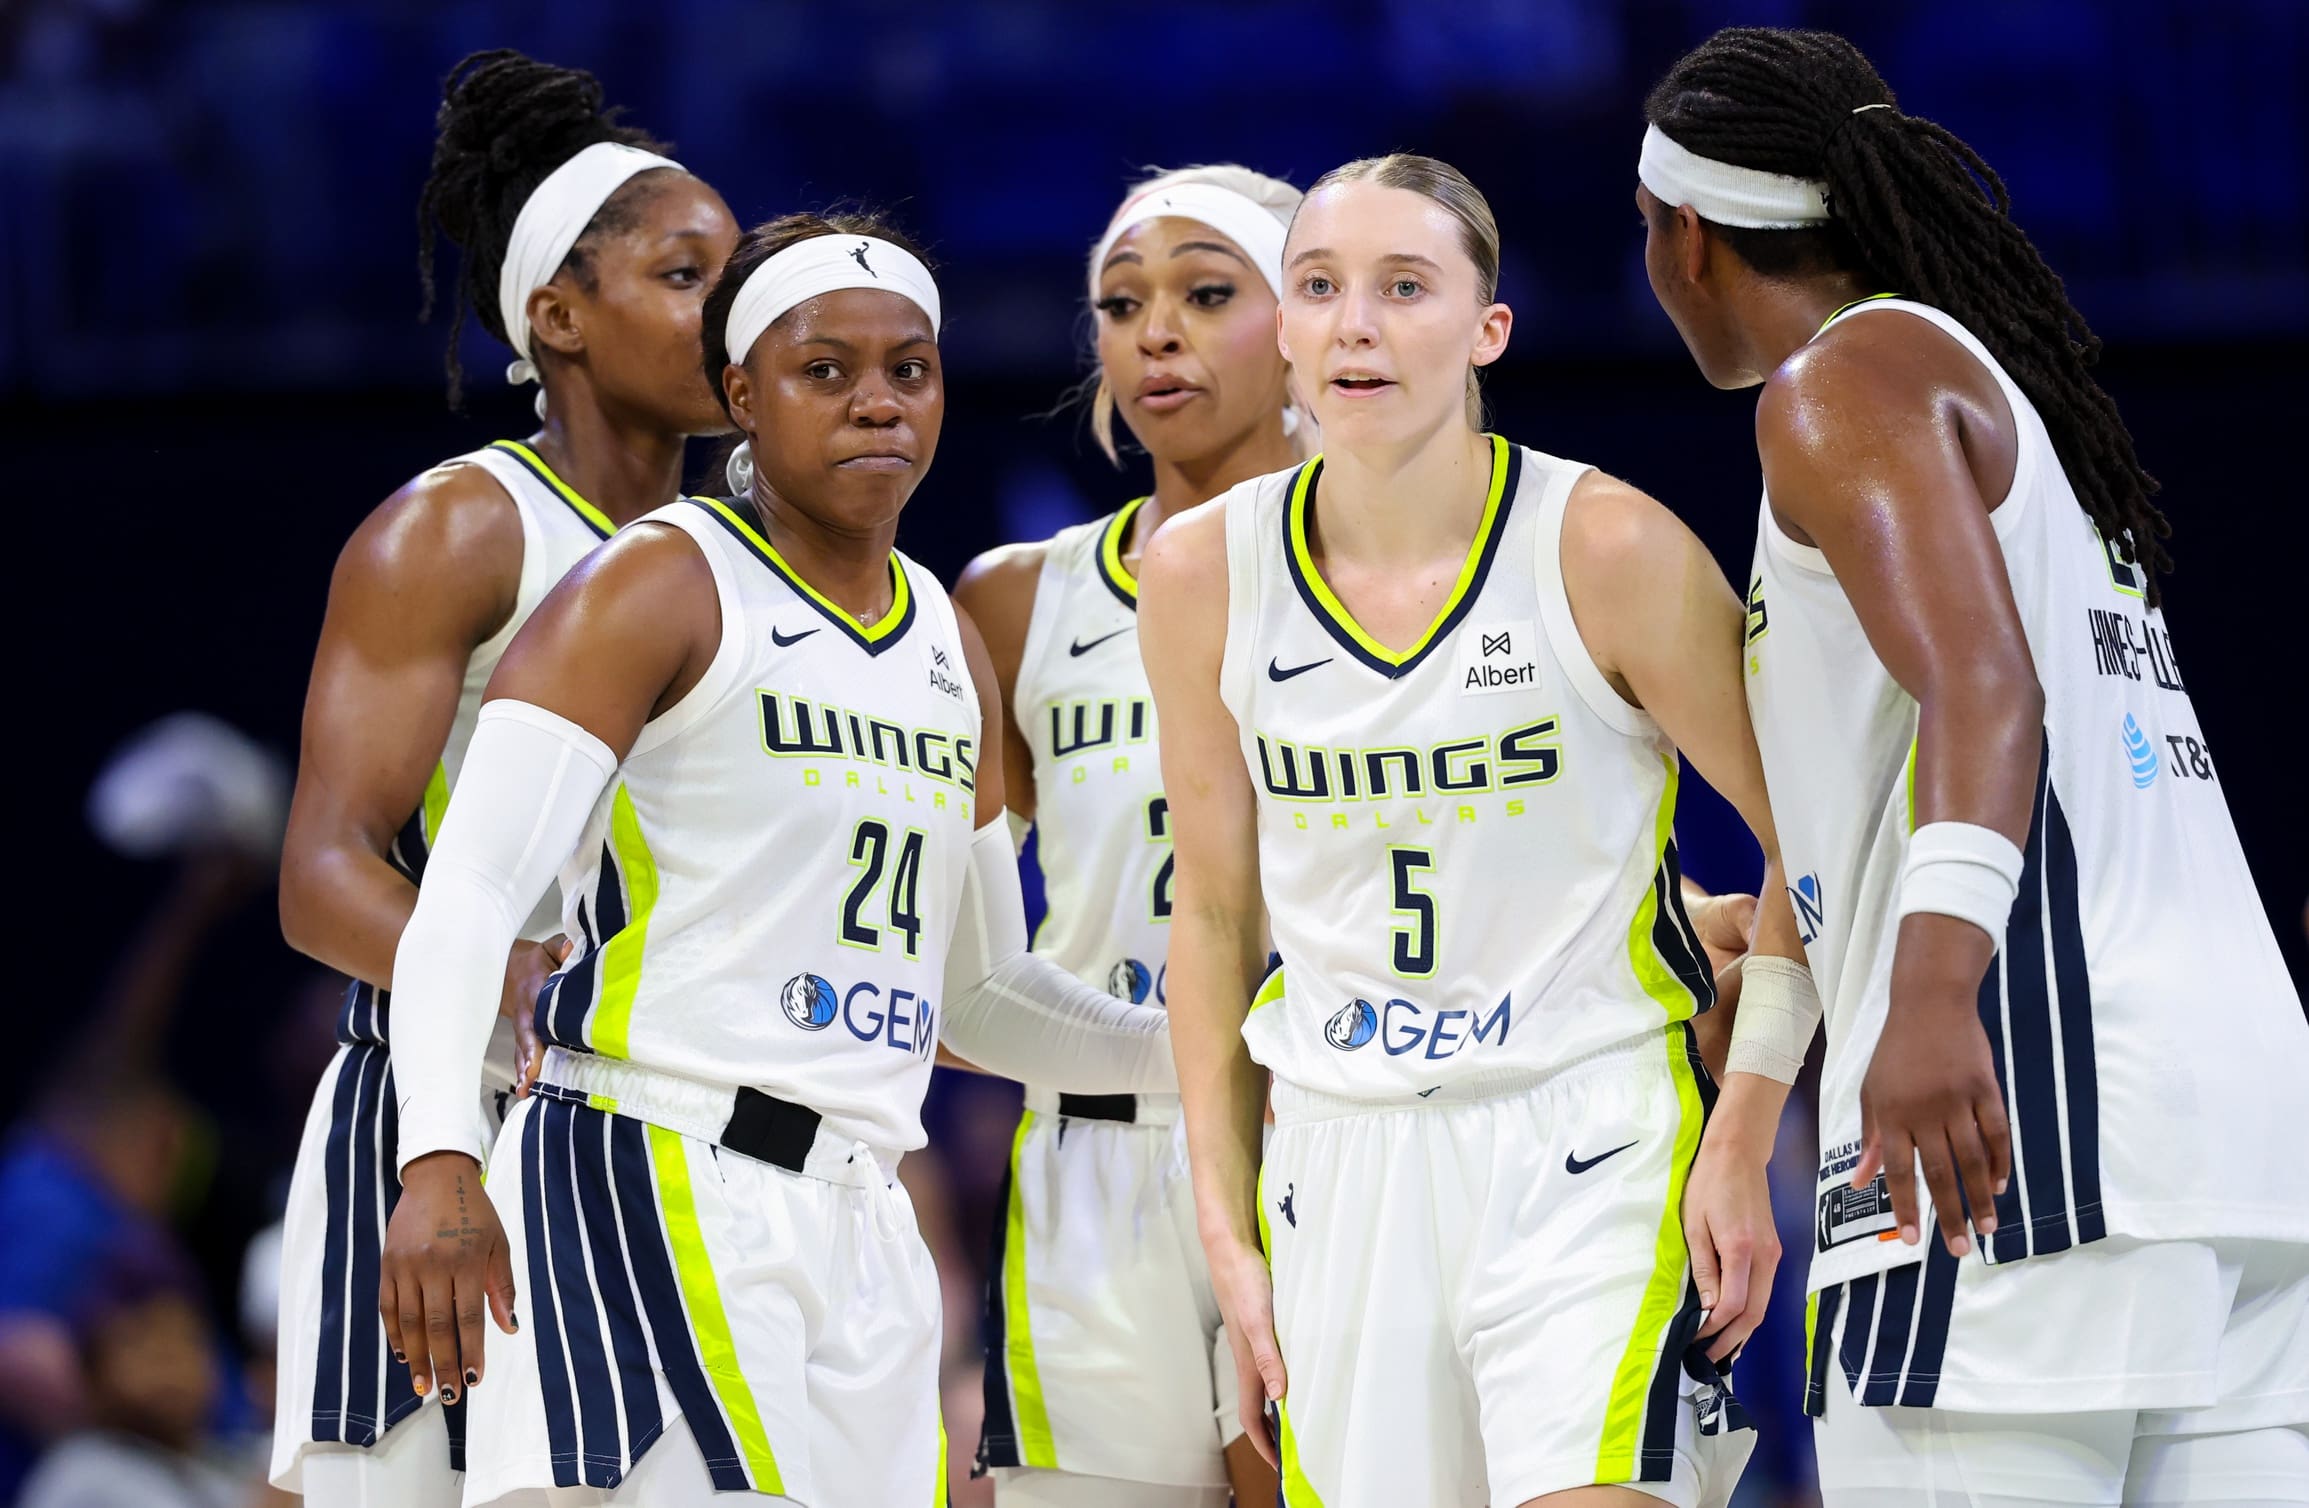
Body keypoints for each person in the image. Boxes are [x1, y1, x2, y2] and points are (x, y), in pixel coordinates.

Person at [377, 212, 1180, 1508]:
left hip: (865, 1215)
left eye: (907, 370)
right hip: (654, 1163)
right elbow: (466, 889)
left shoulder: (944, 639)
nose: (877, 403)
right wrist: (436, 1158)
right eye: (826, 371)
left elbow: (977, 997)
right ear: (742, 394)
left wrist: (1214, 1048)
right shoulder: (655, 582)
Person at [1635, 26, 2309, 1508]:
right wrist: (1747, 1118)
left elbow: (1983, 691)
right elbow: (1864, 822)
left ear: (1682, 238)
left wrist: (1932, 991)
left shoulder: (1836, 387)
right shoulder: (1989, 393)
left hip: (2022, 1119)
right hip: (2239, 1147)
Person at [1139, 152, 1813, 1508]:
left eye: (1404, 287)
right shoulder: (1201, 571)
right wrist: (1223, 1224)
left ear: (1484, 329)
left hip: (1590, 1135)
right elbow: (1211, 917)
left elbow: (1816, 838)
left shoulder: (1606, 547)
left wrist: (1743, 1130)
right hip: (1337, 1154)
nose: (1356, 326)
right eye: (1319, 287)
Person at [270, 49, 738, 1505]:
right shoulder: (459, 528)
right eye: (684, 277)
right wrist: (524, 984)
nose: (731, 315)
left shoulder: (757, 556)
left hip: (648, 1130)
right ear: (559, 318)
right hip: (447, 1106)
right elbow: (324, 870)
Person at [957, 163, 1301, 1508]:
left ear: (1301, 322)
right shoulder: (1013, 602)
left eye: (1208, 295)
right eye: (1120, 304)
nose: (1156, 331)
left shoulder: (1423, 581)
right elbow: (968, 950)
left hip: (1328, 1132)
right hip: (1095, 1158)